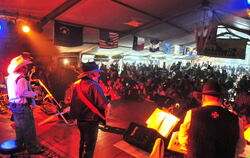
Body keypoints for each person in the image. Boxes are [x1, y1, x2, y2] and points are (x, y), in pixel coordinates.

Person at [178, 80, 246, 158]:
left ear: (203, 97)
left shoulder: (192, 114)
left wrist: (194, 149)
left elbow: (183, 139)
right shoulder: (236, 119)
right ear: (220, 98)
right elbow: (240, 147)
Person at [69, 62, 111, 158]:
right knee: (89, 147)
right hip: (91, 121)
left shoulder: (76, 85)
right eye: (97, 73)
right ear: (91, 74)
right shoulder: (94, 86)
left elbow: (73, 102)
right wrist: (106, 117)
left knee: (83, 142)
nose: (98, 75)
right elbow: (106, 105)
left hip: (80, 120)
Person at [6, 55, 44, 155]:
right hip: (22, 106)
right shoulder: (21, 78)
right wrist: (34, 93)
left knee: (19, 127)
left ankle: (21, 144)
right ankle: (33, 149)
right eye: (25, 67)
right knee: (29, 128)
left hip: (14, 106)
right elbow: (22, 93)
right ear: (20, 68)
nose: (26, 69)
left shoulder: (11, 77)